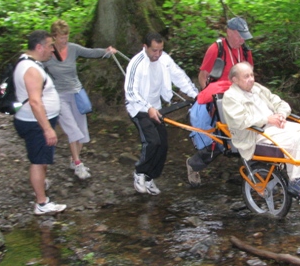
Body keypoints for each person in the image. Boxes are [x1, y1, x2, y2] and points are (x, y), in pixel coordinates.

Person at [221, 62, 300, 199]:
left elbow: (279, 103)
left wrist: (282, 114)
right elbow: (240, 120)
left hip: (273, 125)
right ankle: (295, 180)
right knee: (294, 139)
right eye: (246, 77)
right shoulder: (230, 97)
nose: (251, 79)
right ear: (234, 80)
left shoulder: (258, 88)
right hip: (253, 133)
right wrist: (267, 119)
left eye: (252, 75)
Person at [125, 31, 199, 195]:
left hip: (156, 108)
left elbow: (179, 76)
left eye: (160, 50)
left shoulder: (164, 59)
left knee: (163, 144)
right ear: (145, 47)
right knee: (152, 142)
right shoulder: (136, 63)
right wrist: (147, 107)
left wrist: (196, 95)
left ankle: (150, 177)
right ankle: (139, 172)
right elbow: (130, 92)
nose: (157, 54)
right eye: (154, 50)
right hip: (138, 108)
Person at [44, 19, 117, 180]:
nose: (65, 40)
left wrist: (106, 51)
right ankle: (78, 164)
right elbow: (38, 72)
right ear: (54, 37)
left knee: (82, 132)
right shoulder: (48, 54)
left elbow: (91, 52)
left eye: (66, 36)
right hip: (59, 96)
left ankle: (73, 159)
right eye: (61, 37)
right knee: (72, 130)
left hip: (77, 93)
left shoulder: (73, 49)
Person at [186, 17, 254, 186]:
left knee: (251, 133)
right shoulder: (216, 49)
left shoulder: (245, 52)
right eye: (239, 36)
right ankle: (193, 165)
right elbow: (203, 76)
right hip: (220, 101)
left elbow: (250, 77)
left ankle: (255, 172)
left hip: (240, 100)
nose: (242, 40)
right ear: (229, 32)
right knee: (219, 142)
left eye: (244, 36)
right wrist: (211, 101)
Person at [13, 30, 66, 215]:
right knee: (37, 161)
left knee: (41, 159)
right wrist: (47, 129)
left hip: (34, 121)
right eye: (50, 45)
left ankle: (41, 186)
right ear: (39, 47)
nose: (53, 50)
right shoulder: (31, 70)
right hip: (35, 124)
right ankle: (41, 203)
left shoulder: (26, 62)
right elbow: (35, 101)